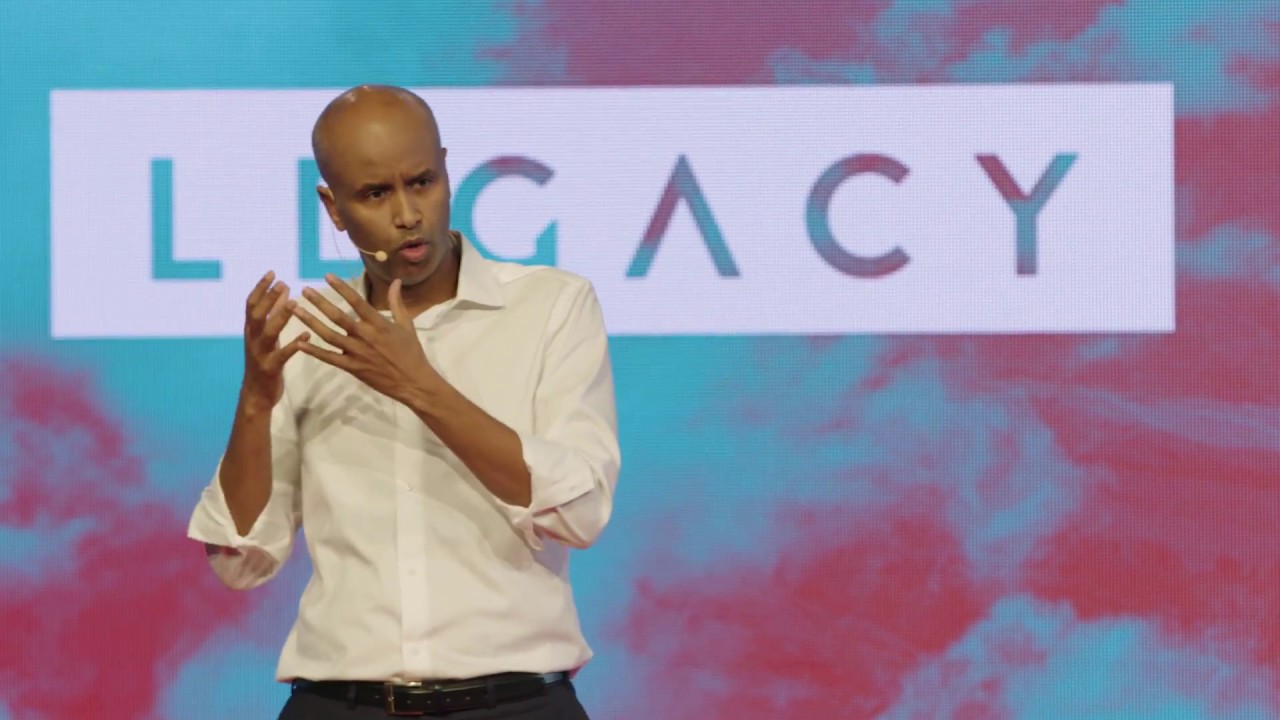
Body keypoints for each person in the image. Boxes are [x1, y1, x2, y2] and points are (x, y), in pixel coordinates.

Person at [186, 84, 620, 719]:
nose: (408, 213)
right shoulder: (309, 338)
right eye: (375, 194)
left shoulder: (552, 307)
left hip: (516, 702)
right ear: (333, 208)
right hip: (339, 703)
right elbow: (241, 560)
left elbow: (579, 515)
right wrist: (255, 398)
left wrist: (419, 385)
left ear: (447, 169)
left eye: (423, 182)